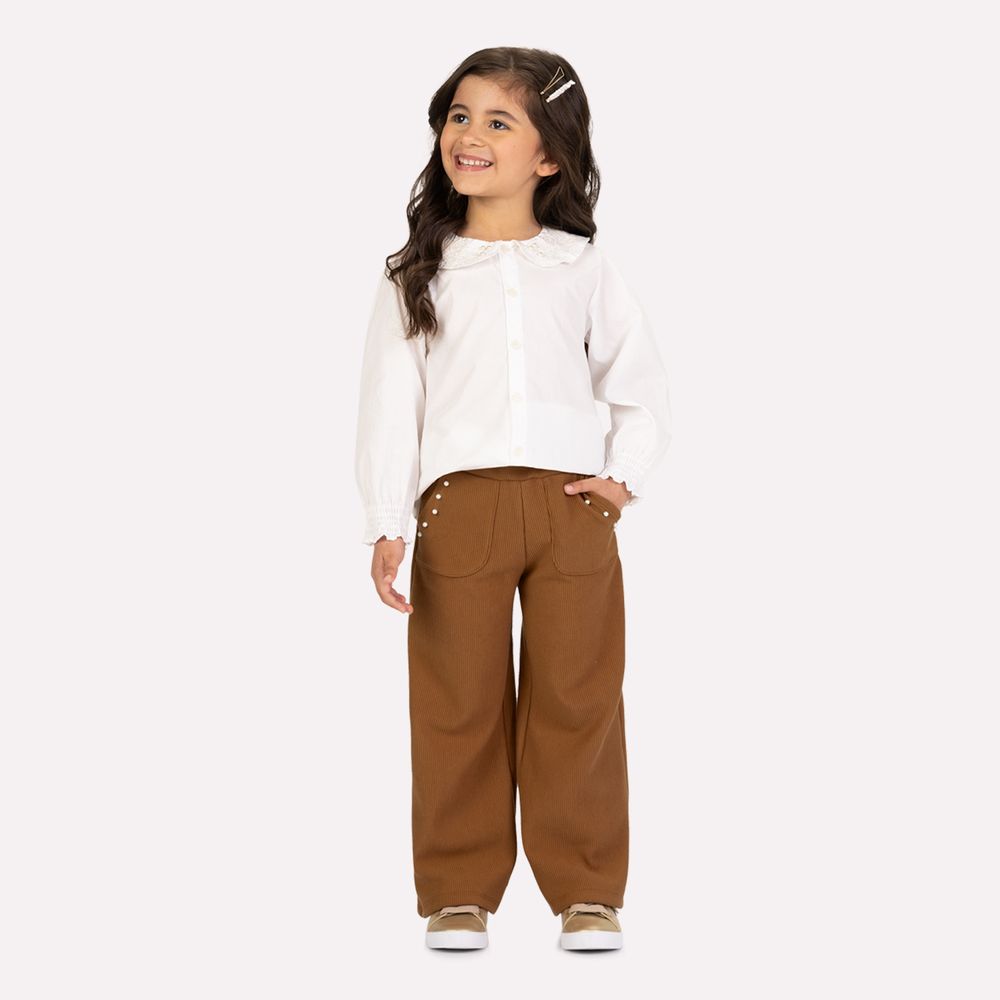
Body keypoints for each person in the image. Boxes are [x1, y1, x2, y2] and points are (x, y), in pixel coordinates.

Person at [354, 47, 672, 951]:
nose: (471, 135)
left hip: (573, 510)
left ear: (550, 156)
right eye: (460, 116)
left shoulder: (582, 265)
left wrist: (621, 479)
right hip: (459, 509)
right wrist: (387, 520)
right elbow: (391, 402)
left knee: (579, 697)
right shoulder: (417, 271)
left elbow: (639, 381)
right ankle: (458, 892)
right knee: (456, 699)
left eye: (499, 121)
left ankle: (588, 892)